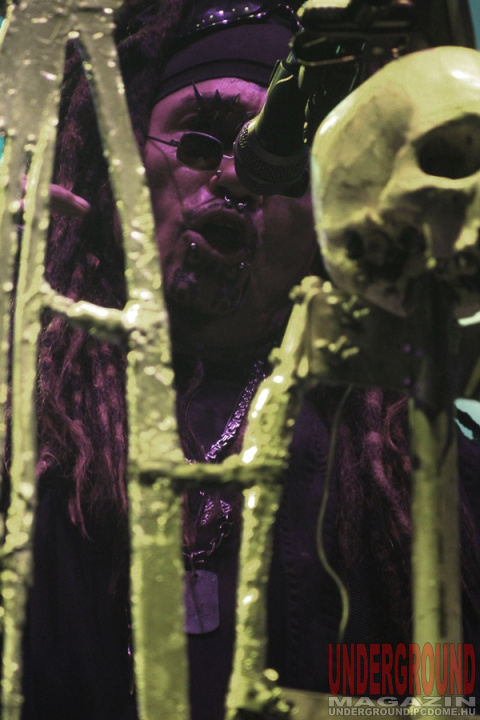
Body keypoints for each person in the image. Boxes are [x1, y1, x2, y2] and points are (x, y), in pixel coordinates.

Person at [13, 1, 480, 719]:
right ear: (116, 167)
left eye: (286, 170)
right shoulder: (25, 419)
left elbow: (445, 688)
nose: (237, 178)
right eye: (200, 142)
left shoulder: (410, 468)